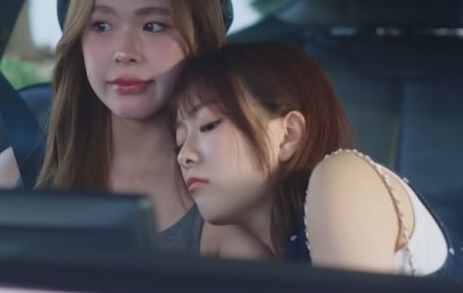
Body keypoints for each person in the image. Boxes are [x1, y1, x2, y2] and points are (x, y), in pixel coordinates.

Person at [0, 0, 267, 258]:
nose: (124, 52)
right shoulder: (14, 175)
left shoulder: (231, 210)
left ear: (201, 39)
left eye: (153, 26)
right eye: (102, 25)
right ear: (78, 39)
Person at [172, 42, 457, 275]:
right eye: (179, 142)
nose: (185, 155)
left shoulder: (343, 177)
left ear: (288, 135)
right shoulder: (268, 256)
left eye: (208, 125)